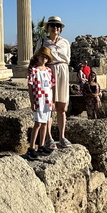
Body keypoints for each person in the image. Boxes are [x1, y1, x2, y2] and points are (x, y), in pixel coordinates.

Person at [35, 16, 71, 148]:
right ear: (48, 27)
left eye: (58, 26)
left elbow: (68, 59)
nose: (55, 28)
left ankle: (62, 137)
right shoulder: (42, 41)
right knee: (49, 106)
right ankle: (49, 138)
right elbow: (36, 58)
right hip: (49, 72)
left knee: (62, 107)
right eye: (53, 25)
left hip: (63, 71)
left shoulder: (65, 42)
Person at [26, 49, 55, 158]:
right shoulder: (34, 70)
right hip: (38, 99)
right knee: (37, 123)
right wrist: (32, 101)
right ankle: (31, 148)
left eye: (46, 57)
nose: (44, 59)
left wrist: (52, 101)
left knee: (45, 123)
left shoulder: (48, 70)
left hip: (47, 100)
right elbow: (30, 86)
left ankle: (41, 146)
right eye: (42, 57)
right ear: (38, 57)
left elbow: (51, 86)